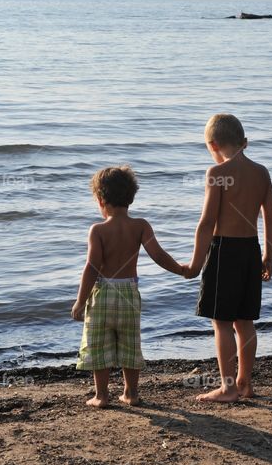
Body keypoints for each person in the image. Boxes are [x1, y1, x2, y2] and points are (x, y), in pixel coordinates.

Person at [71, 166, 186, 408]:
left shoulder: (98, 230)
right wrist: (181, 269)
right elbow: (158, 255)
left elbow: (91, 267)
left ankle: (101, 396)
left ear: (101, 200)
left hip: (102, 294)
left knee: (98, 345)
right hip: (128, 294)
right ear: (131, 197)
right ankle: (131, 393)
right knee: (130, 344)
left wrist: (80, 301)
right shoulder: (141, 226)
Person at [186, 114, 272, 402]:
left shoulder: (216, 173)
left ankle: (227, 387)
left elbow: (206, 222)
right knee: (245, 321)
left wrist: (195, 262)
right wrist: (268, 255)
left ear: (213, 144)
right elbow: (271, 219)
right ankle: (246, 383)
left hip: (224, 251)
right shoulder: (262, 172)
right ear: (243, 141)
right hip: (250, 250)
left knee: (222, 323)